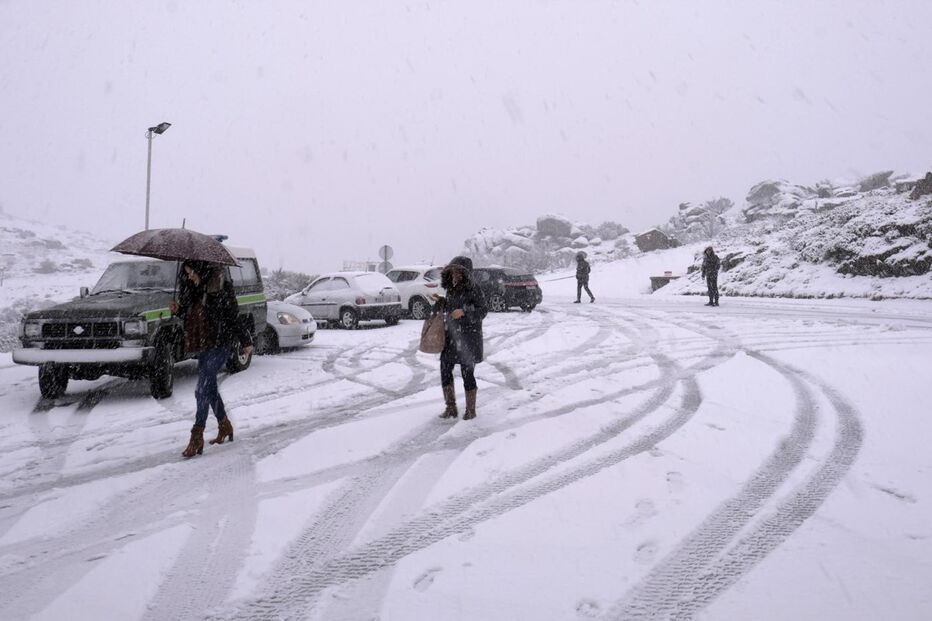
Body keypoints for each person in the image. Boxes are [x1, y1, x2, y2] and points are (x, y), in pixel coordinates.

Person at [169, 260, 254, 457]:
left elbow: (233, 317)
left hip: (221, 343)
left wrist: (245, 340)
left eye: (192, 272)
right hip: (202, 344)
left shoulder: (221, 287)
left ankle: (196, 436)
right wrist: (178, 310)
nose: (190, 276)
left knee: (201, 389)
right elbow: (191, 314)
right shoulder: (192, 288)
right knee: (210, 388)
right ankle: (225, 425)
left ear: (202, 271)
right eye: (187, 273)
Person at [435, 256, 487, 420]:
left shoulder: (474, 289)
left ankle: (470, 410)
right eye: (452, 270)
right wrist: (442, 302)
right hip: (451, 336)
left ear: (465, 273)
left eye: (458, 271)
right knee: (445, 369)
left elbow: (483, 311)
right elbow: (452, 307)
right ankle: (450, 408)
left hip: (468, 339)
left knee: (467, 373)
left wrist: (464, 313)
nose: (454, 274)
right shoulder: (451, 288)